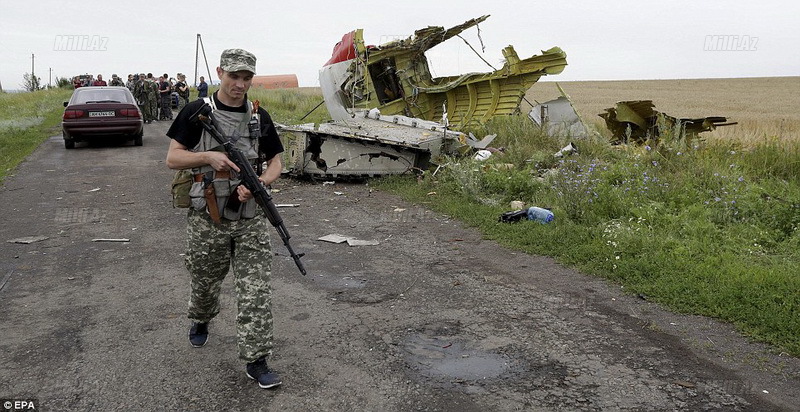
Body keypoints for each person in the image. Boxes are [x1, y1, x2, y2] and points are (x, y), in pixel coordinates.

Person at [165, 48, 285, 390]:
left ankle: (257, 359)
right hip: (208, 218)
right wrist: (208, 156)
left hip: (249, 218)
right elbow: (173, 159)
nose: (240, 84)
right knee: (205, 281)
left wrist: (261, 183)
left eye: (247, 78)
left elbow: (277, 161)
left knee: (255, 289)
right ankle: (201, 319)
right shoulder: (196, 111)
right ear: (220, 72)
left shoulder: (259, 117)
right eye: (234, 77)